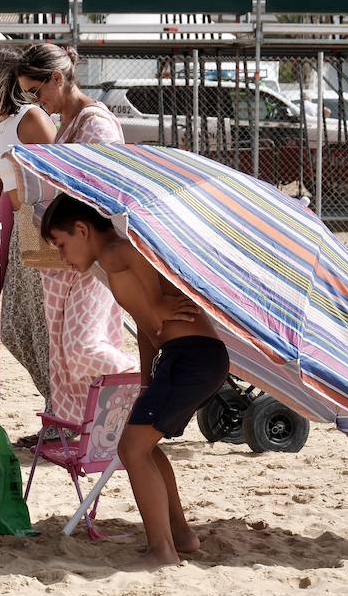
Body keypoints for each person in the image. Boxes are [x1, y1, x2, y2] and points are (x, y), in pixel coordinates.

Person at [40, 194, 228, 567]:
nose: (62, 257)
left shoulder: (113, 251)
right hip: (189, 357)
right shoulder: (112, 266)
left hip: (191, 355)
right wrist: (146, 380)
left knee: (132, 448)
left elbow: (138, 255)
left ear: (82, 229)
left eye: (61, 245)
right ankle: (181, 537)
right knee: (147, 447)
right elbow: (146, 326)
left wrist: (158, 300)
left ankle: (163, 551)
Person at [12, 43, 137, 438]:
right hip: (67, 254)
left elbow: (102, 194)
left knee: (82, 349)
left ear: (57, 78)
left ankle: (148, 388)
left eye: (37, 91)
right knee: (65, 356)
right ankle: (81, 430)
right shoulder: (70, 122)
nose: (35, 102)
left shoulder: (95, 124)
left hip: (89, 254)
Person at [0, 44, 53, 405]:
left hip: (44, 228)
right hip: (23, 228)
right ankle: (59, 403)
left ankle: (62, 410)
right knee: (14, 328)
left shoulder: (32, 117)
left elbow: (61, 175)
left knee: (41, 327)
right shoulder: (3, 123)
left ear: (1, 75)